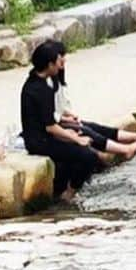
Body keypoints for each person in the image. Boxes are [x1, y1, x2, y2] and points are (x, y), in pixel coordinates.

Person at [20, 40, 99, 201]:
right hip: (39, 142)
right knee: (88, 156)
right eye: (58, 62)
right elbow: (50, 127)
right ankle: (69, 194)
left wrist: (70, 134)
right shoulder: (40, 90)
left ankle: (64, 186)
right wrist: (76, 139)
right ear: (49, 65)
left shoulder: (36, 81)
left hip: (42, 136)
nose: (60, 67)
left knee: (80, 143)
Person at [51, 42, 136, 162]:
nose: (64, 60)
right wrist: (66, 119)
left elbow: (59, 107)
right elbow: (50, 117)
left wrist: (69, 115)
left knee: (93, 126)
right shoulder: (46, 84)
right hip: (55, 126)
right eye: (61, 57)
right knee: (86, 130)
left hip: (61, 120)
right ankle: (125, 149)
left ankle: (132, 137)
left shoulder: (56, 79)